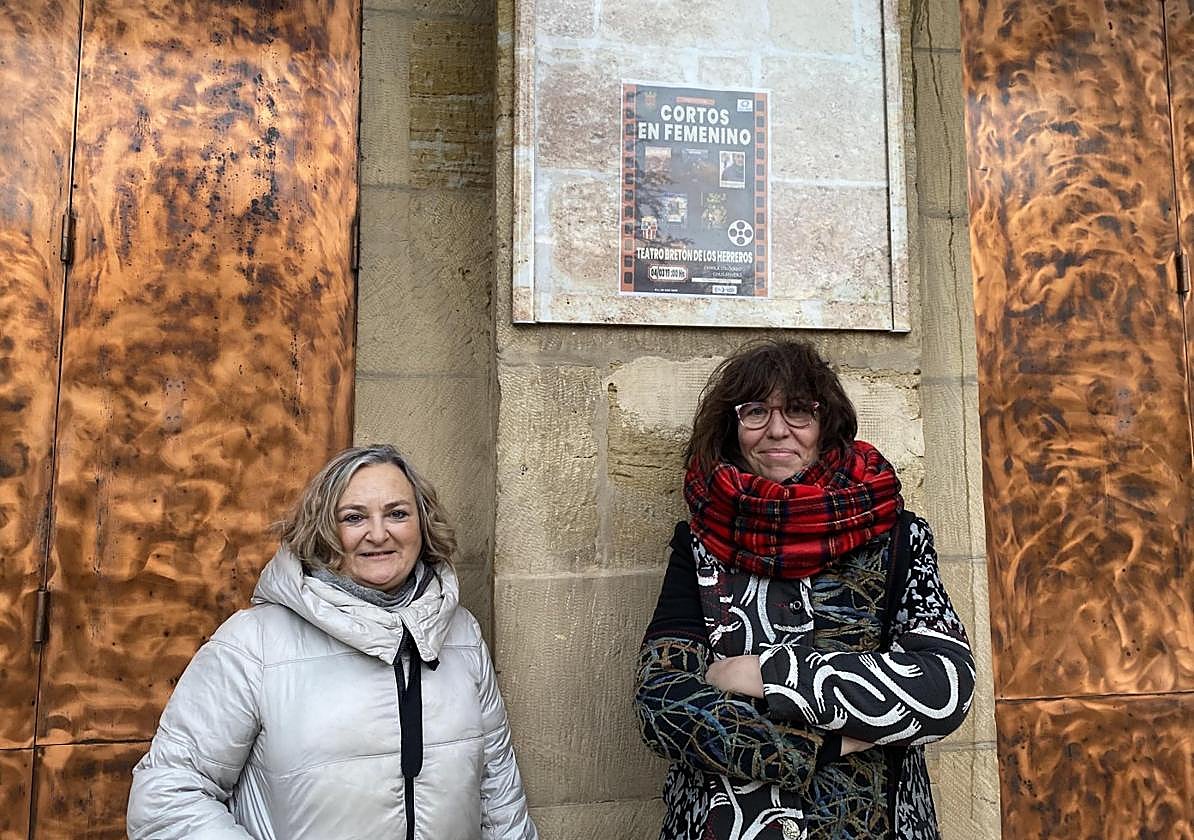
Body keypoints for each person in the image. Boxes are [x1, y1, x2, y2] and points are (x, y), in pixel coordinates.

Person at [633, 340, 975, 840]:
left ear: (825, 423)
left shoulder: (898, 536)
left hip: (874, 822)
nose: (777, 429)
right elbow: (662, 700)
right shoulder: (701, 541)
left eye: (798, 410)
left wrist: (768, 675)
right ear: (733, 427)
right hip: (727, 825)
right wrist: (821, 747)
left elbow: (945, 686)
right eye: (755, 411)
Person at [127, 444, 538, 840]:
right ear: (325, 530)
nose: (378, 534)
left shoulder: (461, 634)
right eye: (354, 518)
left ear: (422, 524)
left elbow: (498, 794)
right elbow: (167, 796)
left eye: (397, 513)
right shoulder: (255, 643)